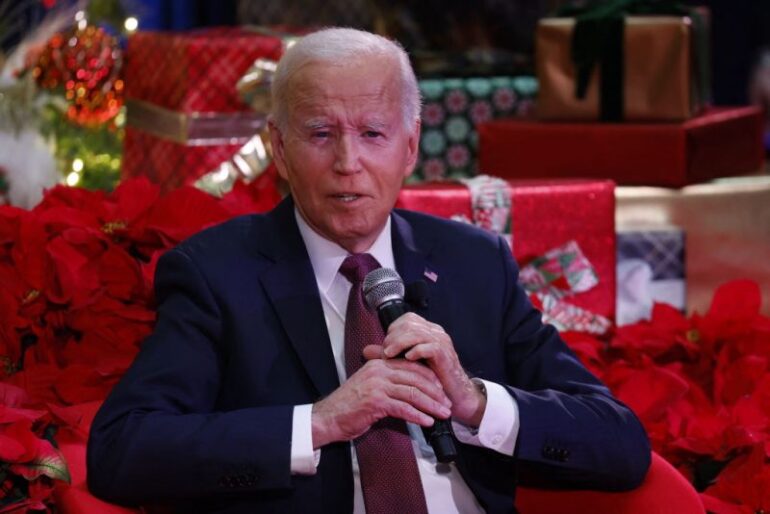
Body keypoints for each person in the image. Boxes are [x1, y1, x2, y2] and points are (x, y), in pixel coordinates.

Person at [87, 27, 650, 514]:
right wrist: (321, 422)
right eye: (321, 133)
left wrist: (474, 402)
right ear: (279, 150)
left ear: (410, 148)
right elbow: (123, 450)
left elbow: (620, 443)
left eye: (372, 134)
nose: (347, 163)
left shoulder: (476, 263)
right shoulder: (216, 273)